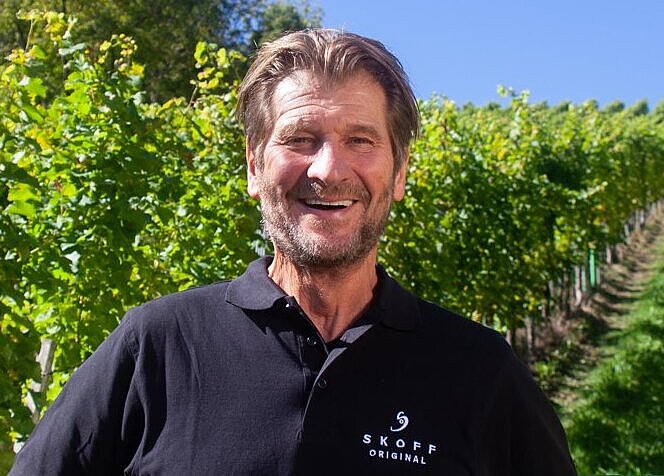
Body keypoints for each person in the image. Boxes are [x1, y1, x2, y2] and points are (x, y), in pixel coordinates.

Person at [10, 29, 576, 475]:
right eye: (299, 139)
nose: (328, 169)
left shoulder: (479, 371)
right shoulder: (156, 347)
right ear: (254, 166)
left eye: (360, 140)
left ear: (399, 171)